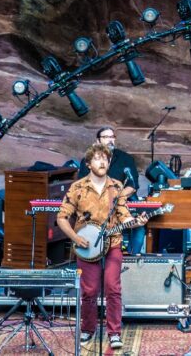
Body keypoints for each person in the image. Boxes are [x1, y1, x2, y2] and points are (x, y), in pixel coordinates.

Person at [57, 143, 145, 350]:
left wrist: (136, 221)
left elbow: (124, 215)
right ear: (88, 164)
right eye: (97, 158)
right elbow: (62, 217)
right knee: (89, 290)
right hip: (86, 246)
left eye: (105, 158)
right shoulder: (77, 187)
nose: (102, 161)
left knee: (113, 288)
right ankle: (88, 329)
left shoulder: (117, 186)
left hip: (112, 243)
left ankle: (114, 332)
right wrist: (75, 238)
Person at [81, 126, 145, 254]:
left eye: (112, 137)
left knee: (140, 227)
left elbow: (133, 185)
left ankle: (131, 260)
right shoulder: (89, 160)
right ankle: (93, 252)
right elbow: (82, 184)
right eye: (106, 137)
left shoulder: (125, 158)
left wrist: (117, 196)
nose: (110, 140)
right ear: (98, 141)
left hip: (121, 197)